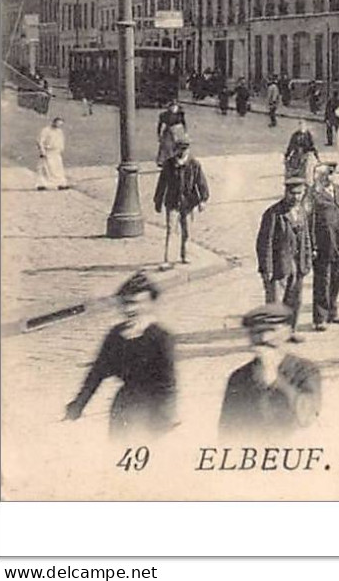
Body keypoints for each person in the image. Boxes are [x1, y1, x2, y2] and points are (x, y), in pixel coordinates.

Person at [64, 273, 177, 438]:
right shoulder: (116, 335)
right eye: (125, 303)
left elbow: (168, 384)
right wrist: (78, 404)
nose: (130, 309)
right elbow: (97, 372)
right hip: (123, 407)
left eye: (137, 303)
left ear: (150, 303)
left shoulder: (160, 337)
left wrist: (165, 418)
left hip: (152, 412)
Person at [218, 303, 322, 439]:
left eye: (271, 330)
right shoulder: (239, 377)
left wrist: (277, 381)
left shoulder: (305, 371)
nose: (263, 338)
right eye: (256, 332)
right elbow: (227, 432)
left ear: (287, 333)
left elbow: (307, 417)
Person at [256, 176, 312, 340]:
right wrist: (266, 269)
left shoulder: (301, 211)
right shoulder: (273, 214)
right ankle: (273, 336)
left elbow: (306, 238)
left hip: (298, 265)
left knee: (294, 301)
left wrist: (307, 261)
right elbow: (264, 243)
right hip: (279, 267)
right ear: (286, 192)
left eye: (300, 193)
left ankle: (290, 332)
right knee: (275, 304)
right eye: (293, 194)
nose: (296, 197)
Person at [308, 160, 339, 330]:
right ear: (318, 176)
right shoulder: (312, 195)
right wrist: (312, 246)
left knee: (338, 278)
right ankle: (320, 318)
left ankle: (332, 311)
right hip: (323, 245)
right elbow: (309, 222)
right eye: (326, 174)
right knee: (323, 281)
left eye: (332, 173)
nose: (330, 177)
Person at [153, 137, 209, 267]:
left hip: (188, 203)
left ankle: (185, 255)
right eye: (180, 149)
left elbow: (201, 183)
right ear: (175, 150)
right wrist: (158, 201)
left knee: (187, 231)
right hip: (172, 202)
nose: (182, 152)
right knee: (171, 230)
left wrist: (203, 200)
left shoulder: (194, 164)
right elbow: (161, 184)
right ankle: (168, 259)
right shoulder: (168, 165)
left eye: (185, 149)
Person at [36, 116, 68, 190]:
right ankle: (42, 184)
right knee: (46, 168)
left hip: (56, 152)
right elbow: (40, 141)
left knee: (57, 168)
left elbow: (61, 141)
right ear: (54, 122)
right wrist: (42, 151)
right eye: (57, 124)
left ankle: (61, 184)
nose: (58, 126)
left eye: (60, 125)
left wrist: (61, 149)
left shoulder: (59, 131)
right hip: (48, 151)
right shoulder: (46, 130)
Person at [155, 100, 187, 165]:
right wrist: (159, 134)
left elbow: (184, 124)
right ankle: (162, 161)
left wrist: (185, 132)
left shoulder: (180, 114)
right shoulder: (164, 115)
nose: (173, 108)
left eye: (175, 107)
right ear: (169, 107)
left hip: (177, 131)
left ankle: (176, 160)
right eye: (172, 107)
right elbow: (159, 125)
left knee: (177, 146)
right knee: (165, 145)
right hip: (168, 131)